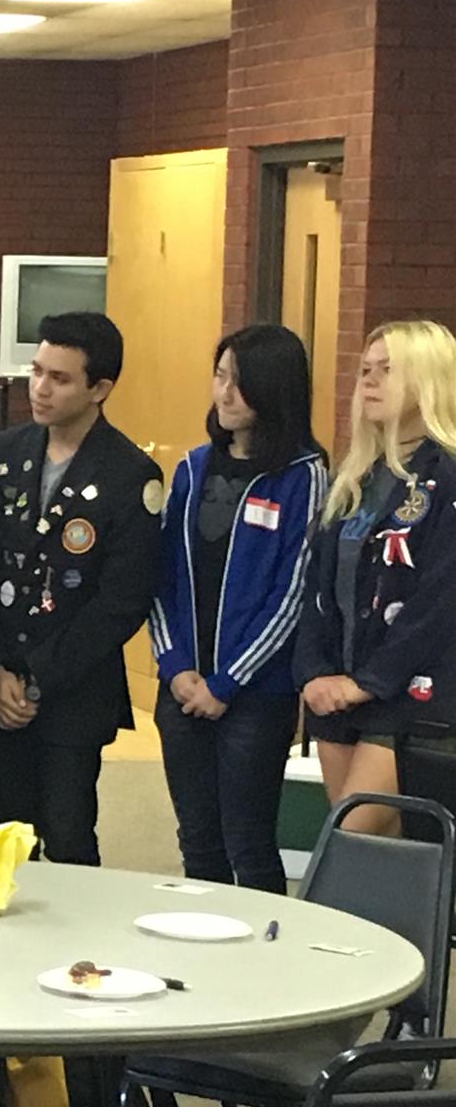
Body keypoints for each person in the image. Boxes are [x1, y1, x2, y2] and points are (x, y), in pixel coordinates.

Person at [0, 311, 162, 865]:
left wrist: (38, 678)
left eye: (59, 379)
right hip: (0, 680)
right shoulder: (4, 454)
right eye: (37, 372)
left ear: (99, 388)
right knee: (2, 837)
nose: (40, 388)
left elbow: (122, 601)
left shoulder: (129, 474)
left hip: (75, 687)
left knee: (68, 832)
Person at [150, 325, 327, 889]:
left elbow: (292, 594)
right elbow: (161, 577)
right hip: (182, 687)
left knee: (247, 843)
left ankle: (266, 947)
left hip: (255, 696)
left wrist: (227, 683)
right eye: (220, 376)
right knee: (197, 841)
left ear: (274, 390)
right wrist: (174, 666)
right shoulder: (192, 467)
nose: (224, 393)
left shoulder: (304, 476)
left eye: (240, 382)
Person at [294, 319, 456, 831]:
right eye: (365, 370)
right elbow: (316, 587)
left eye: (388, 370)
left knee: (349, 837)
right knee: (376, 848)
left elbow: (441, 599)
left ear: (428, 379)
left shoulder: (447, 475)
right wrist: (313, 671)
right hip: (337, 689)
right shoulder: (356, 476)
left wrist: (368, 682)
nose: (369, 381)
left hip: (407, 694)